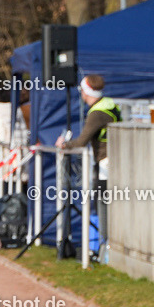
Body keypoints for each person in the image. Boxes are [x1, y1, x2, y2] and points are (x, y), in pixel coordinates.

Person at [56, 75, 121, 249]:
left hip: (105, 163)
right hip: (114, 161)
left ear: (86, 92)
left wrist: (64, 145)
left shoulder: (97, 113)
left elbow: (81, 141)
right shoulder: (110, 104)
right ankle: (105, 245)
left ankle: (105, 246)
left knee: (103, 205)